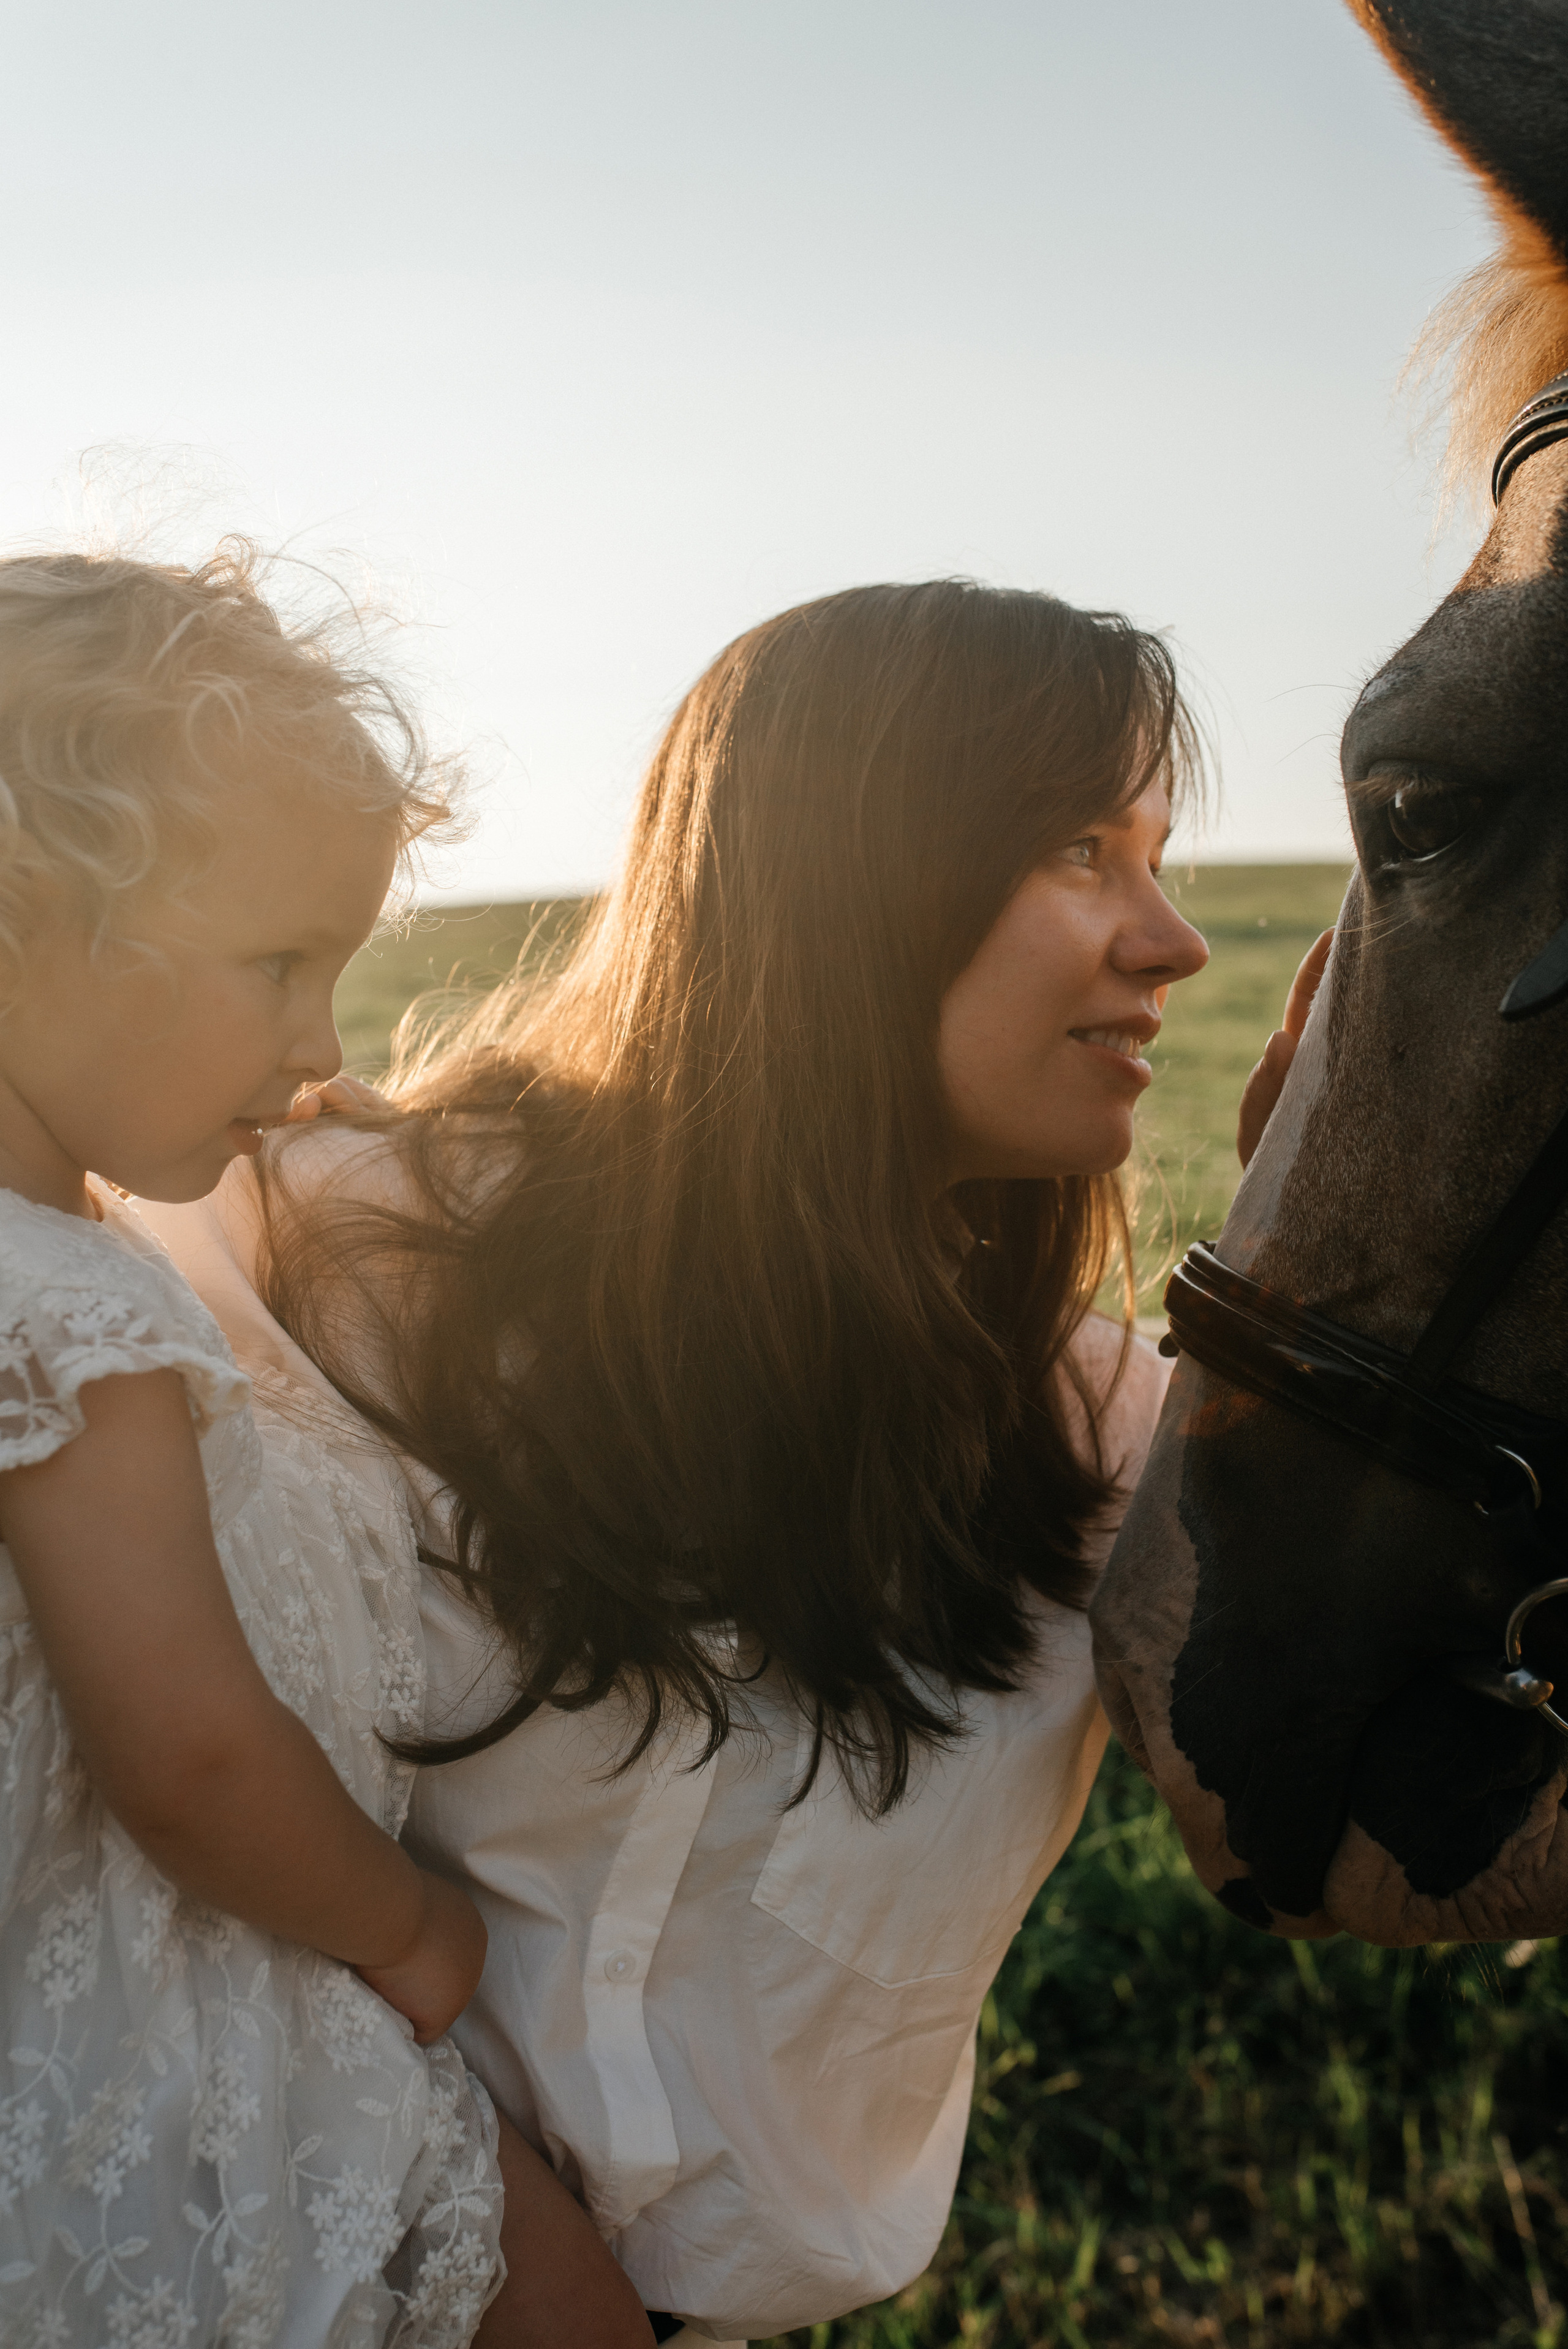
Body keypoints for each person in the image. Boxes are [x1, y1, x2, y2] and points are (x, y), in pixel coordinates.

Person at [150, 578, 1212, 2345]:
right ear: (845, 879)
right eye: (1086, 850)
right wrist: (481, 2214)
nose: (1172, 939)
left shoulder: (1118, 1440)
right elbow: (117, 1774)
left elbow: (1353, 1838)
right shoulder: (343, 1243)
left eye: (1166, 859)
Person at [0, 550, 650, 2349]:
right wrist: (410, 1926)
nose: (320, 1047)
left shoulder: (70, 1248)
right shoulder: (76, 1321)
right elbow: (195, 1754)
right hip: (201, 1997)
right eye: (280, 965)